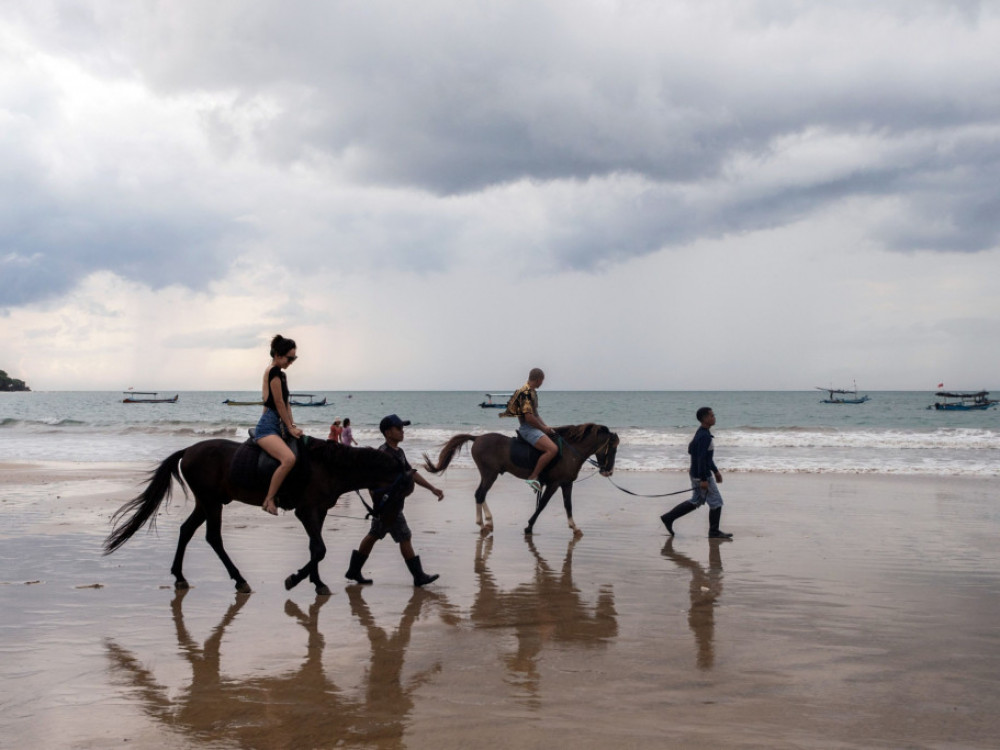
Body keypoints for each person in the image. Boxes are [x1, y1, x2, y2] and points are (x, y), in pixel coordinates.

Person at [345, 414, 444, 587]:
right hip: (388, 508)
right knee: (404, 536)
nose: (402, 431)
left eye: (402, 428)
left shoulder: (399, 452)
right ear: (388, 432)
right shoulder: (383, 454)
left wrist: (432, 488)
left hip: (393, 505)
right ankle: (418, 576)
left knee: (374, 535)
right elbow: (371, 481)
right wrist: (379, 505)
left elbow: (411, 473)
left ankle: (354, 570)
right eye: (398, 428)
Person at [660, 407, 733, 539]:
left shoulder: (702, 433)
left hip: (698, 473)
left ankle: (668, 517)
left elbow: (696, 453)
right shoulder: (704, 436)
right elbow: (701, 458)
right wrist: (704, 479)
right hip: (701, 475)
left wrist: (716, 471)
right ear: (704, 419)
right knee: (716, 502)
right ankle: (713, 532)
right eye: (711, 416)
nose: (714, 418)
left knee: (696, 501)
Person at [256, 334, 304, 515]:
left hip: (278, 424)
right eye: (289, 358)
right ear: (277, 355)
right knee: (289, 459)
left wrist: (292, 425)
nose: (291, 362)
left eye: (294, 358)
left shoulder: (282, 375)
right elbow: (278, 403)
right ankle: (269, 499)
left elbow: (286, 403)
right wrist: (289, 427)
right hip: (268, 427)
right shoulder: (273, 371)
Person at [501, 367, 558, 492]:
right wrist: (542, 428)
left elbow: (536, 415)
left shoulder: (532, 392)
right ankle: (533, 476)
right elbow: (529, 418)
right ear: (538, 379)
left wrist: (546, 427)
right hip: (528, 429)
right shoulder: (525, 393)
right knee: (552, 449)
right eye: (542, 380)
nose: (542, 383)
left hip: (534, 427)